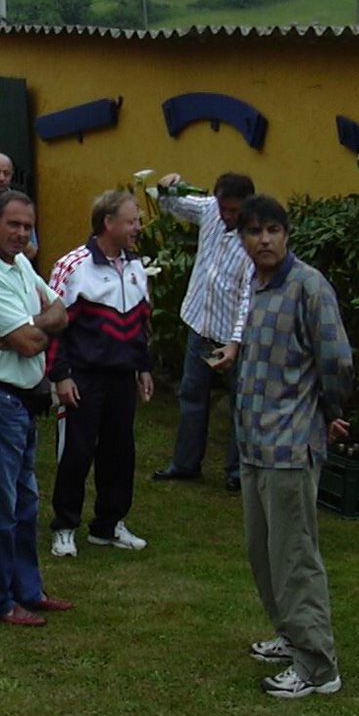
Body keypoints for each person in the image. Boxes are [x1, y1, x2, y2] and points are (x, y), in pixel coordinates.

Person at [232, 195, 354, 699]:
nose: (264, 240)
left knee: (294, 557)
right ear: (242, 239)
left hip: (290, 446)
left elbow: (337, 361)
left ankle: (317, 666)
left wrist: (329, 411)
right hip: (253, 444)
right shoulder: (254, 285)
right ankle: (290, 634)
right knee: (263, 554)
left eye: (273, 230)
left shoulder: (309, 286)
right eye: (254, 231)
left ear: (287, 234)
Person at [0, 190, 72, 626]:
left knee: (25, 504)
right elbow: (27, 344)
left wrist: (30, 325)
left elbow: (60, 313)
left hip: (17, 401)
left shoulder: (18, 263)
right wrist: (28, 331)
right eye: (14, 224)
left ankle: (27, 590)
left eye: (28, 226)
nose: (21, 233)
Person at [47, 189, 154, 558]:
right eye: (131, 221)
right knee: (75, 454)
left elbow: (141, 321)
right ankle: (64, 527)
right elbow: (53, 325)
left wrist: (143, 367)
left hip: (122, 377)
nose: (138, 227)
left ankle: (109, 525)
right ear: (108, 223)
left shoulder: (136, 266)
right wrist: (60, 375)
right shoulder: (73, 266)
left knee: (120, 453)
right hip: (83, 377)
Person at [149, 171, 255, 489]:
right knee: (192, 396)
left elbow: (249, 298)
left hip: (235, 337)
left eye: (234, 210)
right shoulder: (210, 209)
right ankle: (185, 464)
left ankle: (237, 473)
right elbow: (171, 204)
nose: (227, 215)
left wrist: (235, 342)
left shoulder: (255, 238)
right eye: (223, 208)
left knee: (241, 404)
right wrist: (167, 187)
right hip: (201, 324)